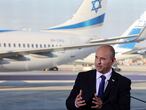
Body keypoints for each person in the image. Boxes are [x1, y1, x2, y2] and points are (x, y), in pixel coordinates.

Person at [66, 45, 131, 110]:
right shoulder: (83, 77)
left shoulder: (123, 82)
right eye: (96, 57)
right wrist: (75, 103)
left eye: (103, 59)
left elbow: (125, 108)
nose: (98, 62)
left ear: (113, 61)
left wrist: (103, 106)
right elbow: (69, 102)